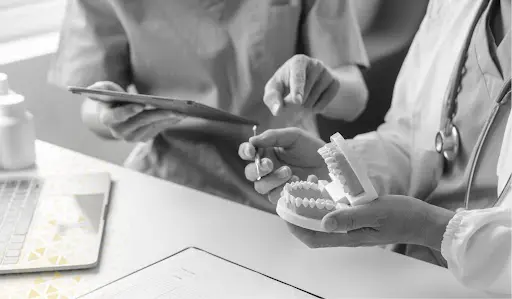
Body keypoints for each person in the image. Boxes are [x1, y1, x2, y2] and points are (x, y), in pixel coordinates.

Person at [239, 0, 511, 295]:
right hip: (402, 273)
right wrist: (345, 172)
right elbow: (410, 138)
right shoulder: (458, 6)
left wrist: (430, 227)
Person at [48, 0, 369, 213]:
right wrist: (110, 115)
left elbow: (354, 99)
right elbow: (93, 108)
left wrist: (326, 85)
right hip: (168, 180)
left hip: (284, 178)